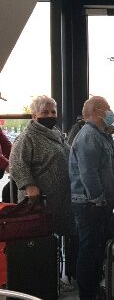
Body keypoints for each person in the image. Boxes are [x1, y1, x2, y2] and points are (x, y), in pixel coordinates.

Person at [69, 96, 114, 300]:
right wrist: (98, 198)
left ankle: (94, 288)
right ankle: (87, 294)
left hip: (97, 203)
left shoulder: (100, 134)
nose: (110, 112)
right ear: (96, 111)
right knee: (89, 250)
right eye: (107, 109)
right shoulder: (89, 136)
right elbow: (88, 172)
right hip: (90, 204)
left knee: (96, 248)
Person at [9, 95, 74, 236]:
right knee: (42, 242)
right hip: (39, 201)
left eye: (53, 112)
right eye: (45, 112)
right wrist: (29, 186)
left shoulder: (56, 134)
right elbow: (17, 163)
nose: (50, 115)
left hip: (61, 199)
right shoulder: (27, 137)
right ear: (34, 116)